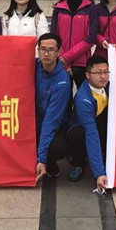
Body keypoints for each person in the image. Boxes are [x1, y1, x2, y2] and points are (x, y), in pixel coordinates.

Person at [67, 55, 110, 191]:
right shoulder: (83, 99)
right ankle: (78, 163)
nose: (103, 76)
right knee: (78, 134)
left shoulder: (109, 86)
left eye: (106, 72)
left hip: (99, 125)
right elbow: (92, 134)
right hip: (84, 130)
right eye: (98, 73)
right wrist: (99, 173)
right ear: (87, 75)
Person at [35, 33, 73, 180]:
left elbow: (51, 122)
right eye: (43, 49)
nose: (46, 54)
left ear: (58, 52)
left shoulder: (62, 82)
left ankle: (49, 163)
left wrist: (42, 159)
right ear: (38, 50)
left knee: (57, 147)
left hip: (54, 125)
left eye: (51, 50)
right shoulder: (33, 66)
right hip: (33, 121)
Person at [51, 0, 95, 88]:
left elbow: (90, 39)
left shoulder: (91, 8)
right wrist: (64, 62)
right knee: (64, 97)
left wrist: (67, 57)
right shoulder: (59, 8)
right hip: (61, 64)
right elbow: (54, 37)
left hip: (82, 64)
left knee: (84, 97)